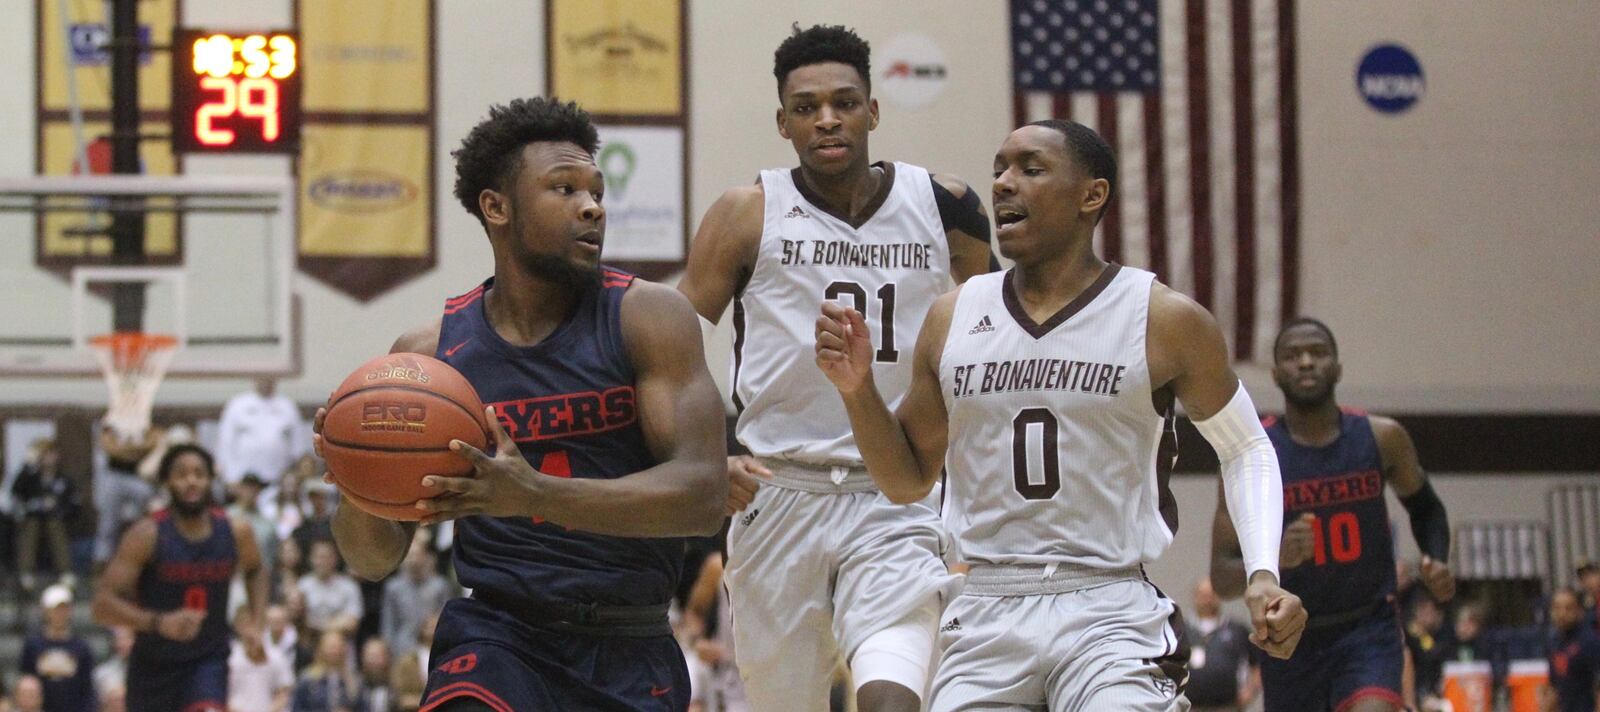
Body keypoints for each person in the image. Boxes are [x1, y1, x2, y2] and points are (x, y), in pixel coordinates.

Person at [815, 119, 1306, 711]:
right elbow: (906, 478)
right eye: (998, 168)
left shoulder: (1162, 318)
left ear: (1091, 196)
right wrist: (858, 389)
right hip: (986, 605)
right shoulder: (953, 317)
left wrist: (1262, 574)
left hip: (1109, 607)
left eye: (1030, 168)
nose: (1002, 183)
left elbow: (1246, 447)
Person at [320, 96, 726, 712]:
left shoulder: (649, 317)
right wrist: (358, 482)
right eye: (563, 189)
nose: (592, 206)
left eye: (596, 190)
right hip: (497, 638)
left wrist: (533, 494)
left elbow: (701, 497)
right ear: (496, 206)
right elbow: (371, 558)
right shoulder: (429, 357)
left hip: (629, 640)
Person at [675, 24, 994, 712]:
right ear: (783, 122)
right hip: (777, 493)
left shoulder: (947, 208)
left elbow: (994, 349)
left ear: (874, 110)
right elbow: (669, 348)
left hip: (897, 494)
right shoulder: (745, 214)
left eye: (845, 102)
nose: (827, 118)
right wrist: (706, 458)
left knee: (893, 698)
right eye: (807, 106)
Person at [1211, 317, 1457, 712]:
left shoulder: (1381, 437)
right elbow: (1221, 576)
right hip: (1288, 637)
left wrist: (1436, 556)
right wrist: (1273, 560)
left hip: (1367, 628)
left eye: (1318, 353)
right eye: (1292, 356)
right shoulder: (1253, 456)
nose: (1306, 362)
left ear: (1339, 367)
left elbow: (1426, 507)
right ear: (1275, 374)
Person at [91, 443, 267, 712]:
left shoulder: (236, 531)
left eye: (199, 473)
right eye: (181, 474)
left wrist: (257, 623)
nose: (191, 481)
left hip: (208, 661)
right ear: (167, 482)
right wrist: (158, 622)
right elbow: (102, 606)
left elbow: (255, 571)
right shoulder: (146, 535)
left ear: (211, 480)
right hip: (153, 666)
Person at [217, 377, 306, 492]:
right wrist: (230, 477)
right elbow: (225, 444)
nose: (266, 380)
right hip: (244, 482)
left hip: (278, 482)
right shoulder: (238, 405)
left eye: (270, 376)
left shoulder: (287, 406)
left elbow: (298, 447)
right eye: (262, 376)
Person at [1185, 578, 1260, 712]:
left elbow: (1257, 665)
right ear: (1195, 597)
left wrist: (1250, 692)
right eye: (1203, 595)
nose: (1207, 600)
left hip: (1228, 706)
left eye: (1211, 595)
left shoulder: (1237, 630)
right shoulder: (1181, 630)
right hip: (1190, 707)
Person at [20, 584, 97, 712]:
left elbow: (87, 686)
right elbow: (26, 680)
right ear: (45, 611)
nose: (60, 614)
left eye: (64, 609)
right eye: (55, 609)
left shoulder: (81, 647)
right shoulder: (33, 645)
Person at [13, 439, 76, 591]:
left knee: (55, 526)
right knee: (31, 527)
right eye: (45, 454)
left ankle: (65, 571)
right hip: (33, 518)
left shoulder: (63, 478)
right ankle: (26, 572)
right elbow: (16, 490)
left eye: (51, 454)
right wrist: (28, 466)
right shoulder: (31, 476)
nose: (48, 458)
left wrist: (58, 507)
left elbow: (72, 505)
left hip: (56, 519)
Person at [378, 536, 450, 655]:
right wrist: (388, 649)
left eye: (417, 555)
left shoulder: (440, 586)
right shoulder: (393, 587)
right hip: (402, 647)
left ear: (426, 556)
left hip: (432, 647)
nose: (413, 560)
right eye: (410, 555)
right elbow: (388, 623)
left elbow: (447, 622)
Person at [1544, 588, 1600, 712]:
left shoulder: (1590, 642)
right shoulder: (1554, 642)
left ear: (1579, 611)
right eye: (1557, 608)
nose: (1562, 613)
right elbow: (1555, 688)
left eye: (1568, 608)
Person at [227, 609, 293, 712]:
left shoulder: (277, 656)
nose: (249, 628)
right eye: (245, 623)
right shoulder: (228, 655)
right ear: (237, 625)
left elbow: (283, 693)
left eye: (254, 623)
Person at [296, 540, 362, 638]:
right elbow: (298, 618)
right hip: (308, 640)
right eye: (318, 557)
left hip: (339, 641)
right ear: (311, 559)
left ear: (335, 559)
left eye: (327, 557)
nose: (323, 562)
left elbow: (352, 623)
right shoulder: (303, 584)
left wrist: (319, 627)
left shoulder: (349, 586)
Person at [290, 630, 357, 712]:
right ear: (321, 649)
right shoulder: (307, 679)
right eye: (330, 647)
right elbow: (296, 708)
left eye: (337, 647)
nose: (334, 651)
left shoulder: (354, 681)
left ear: (344, 650)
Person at [90, 627, 132, 702]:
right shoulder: (102, 672)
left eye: (127, 638)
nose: (122, 643)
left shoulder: (152, 672)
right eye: (119, 639)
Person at [355, 638, 393, 712]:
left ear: (387, 658)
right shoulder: (354, 686)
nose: (372, 661)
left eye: (376, 656)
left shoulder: (397, 686)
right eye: (369, 656)